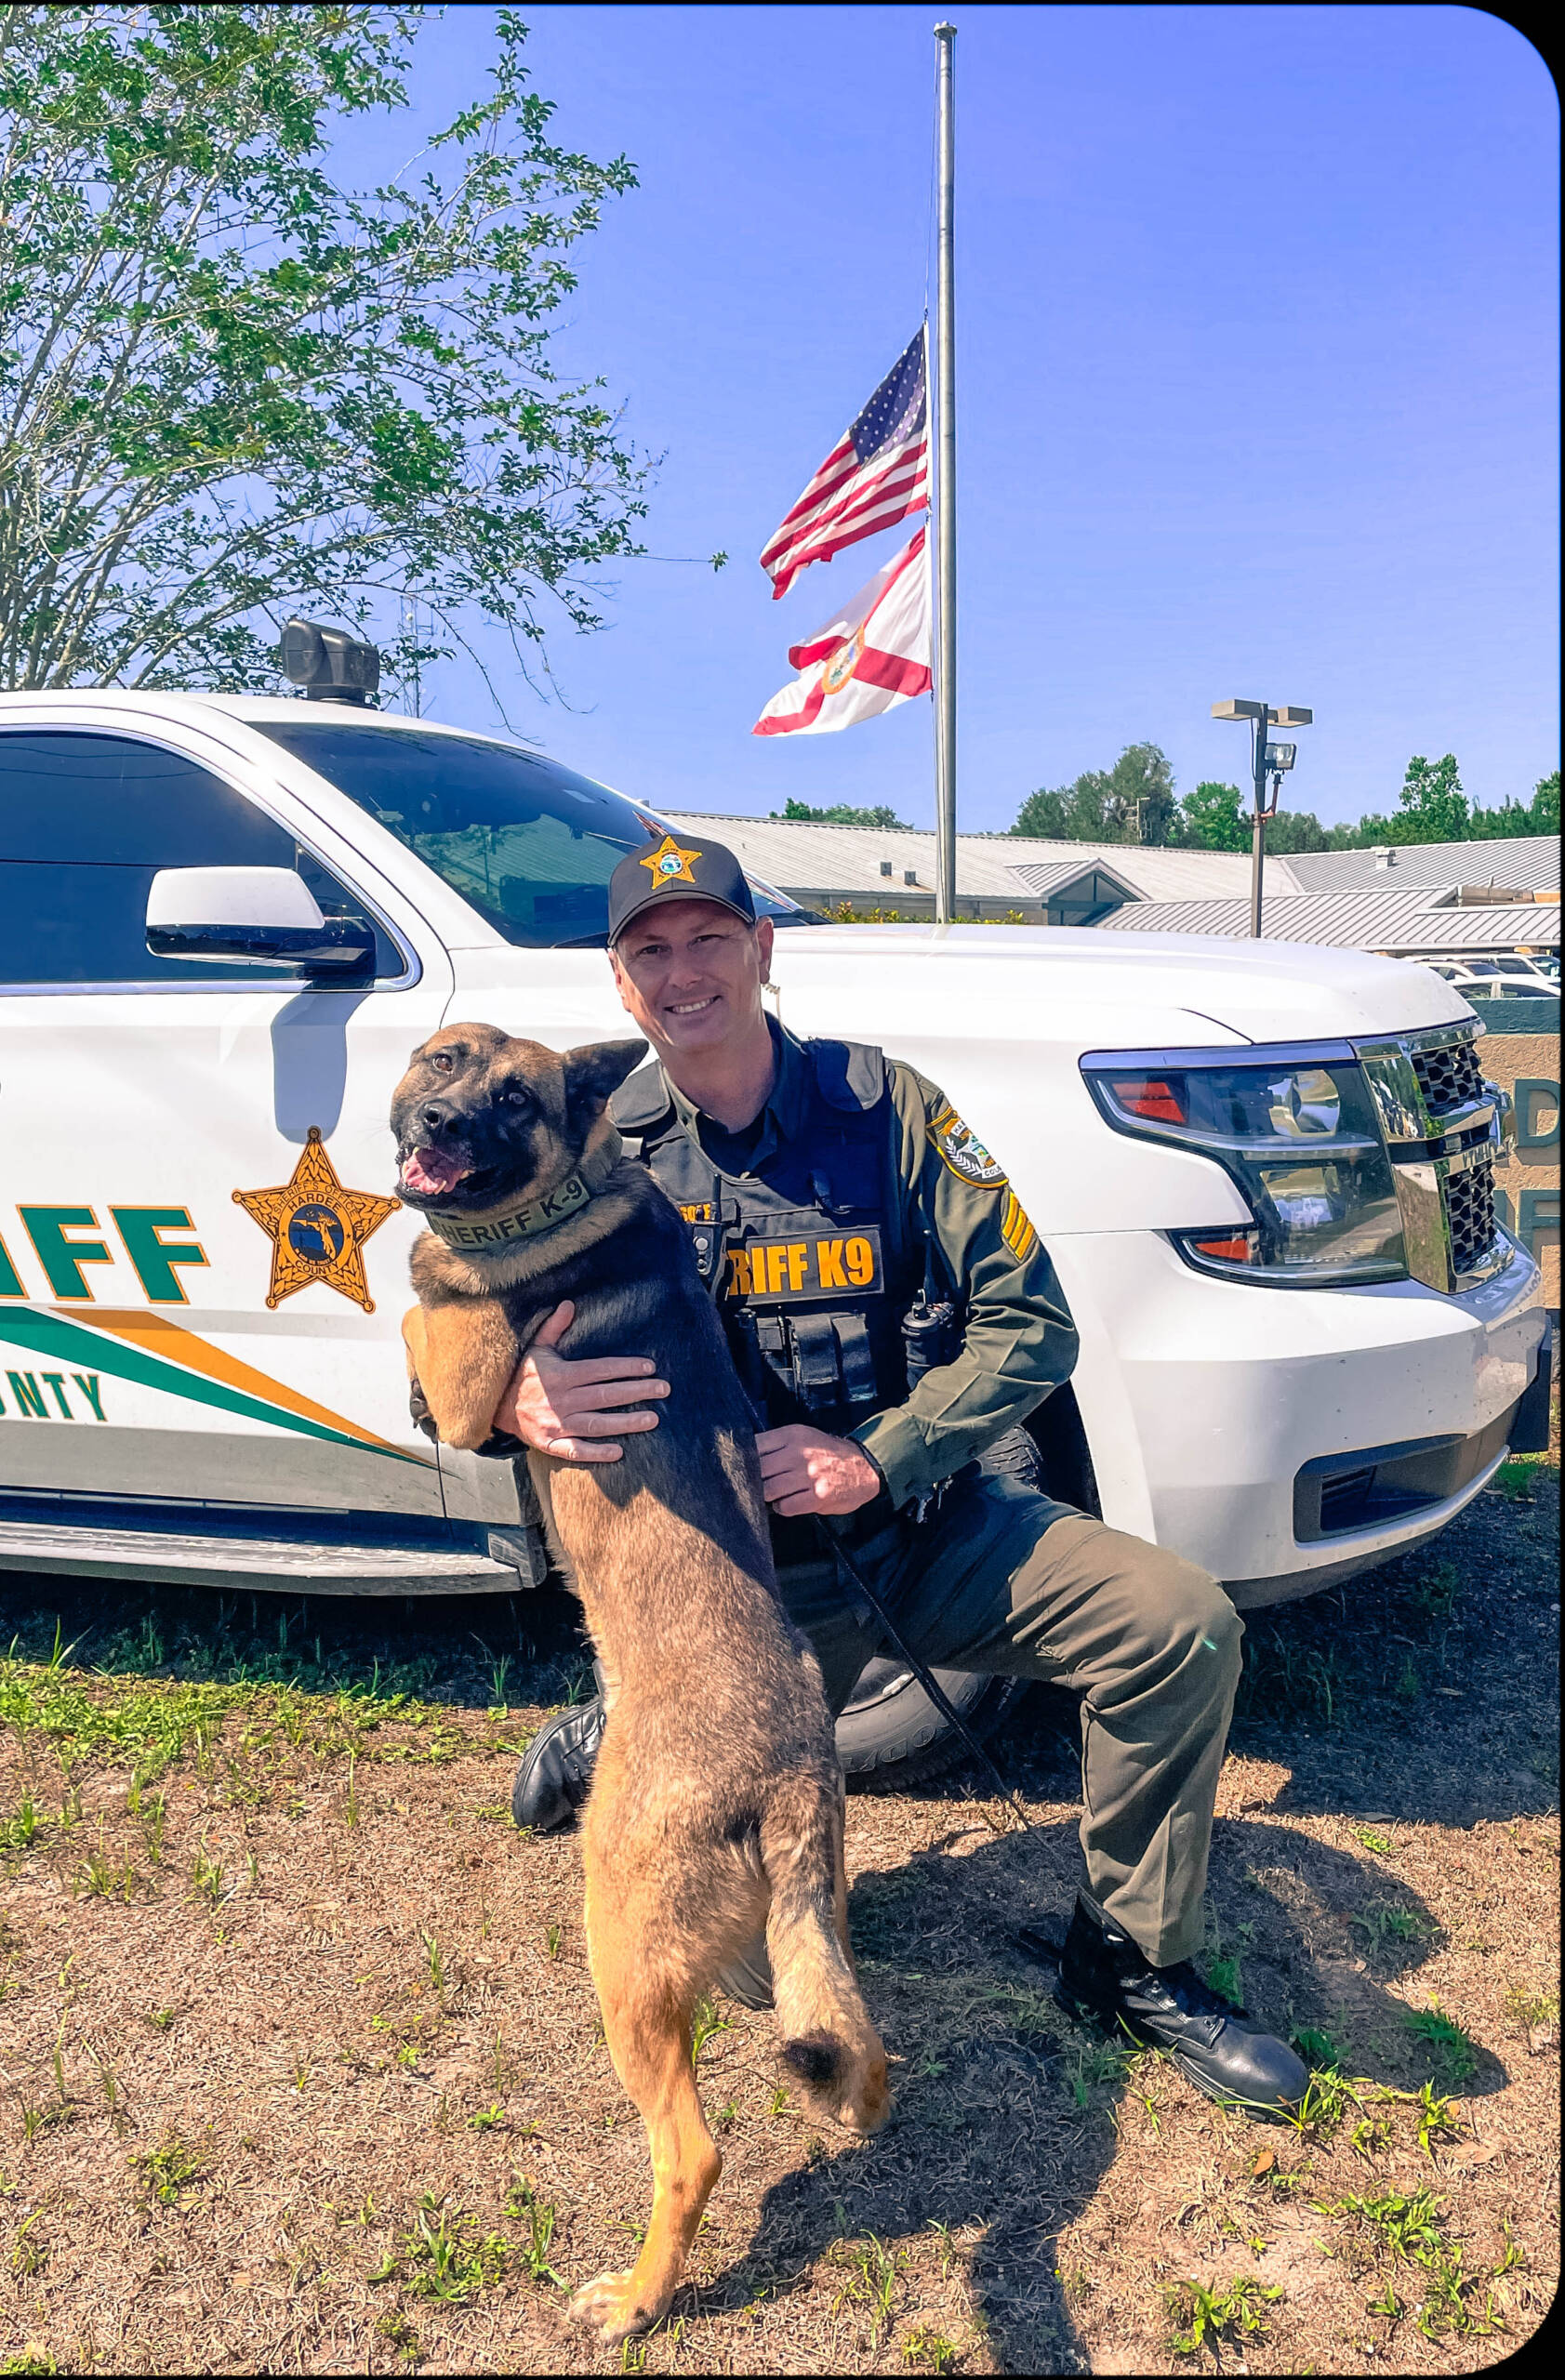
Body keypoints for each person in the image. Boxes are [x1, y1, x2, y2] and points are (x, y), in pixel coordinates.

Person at [413, 831, 1308, 2116]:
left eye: (709, 938)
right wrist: (513, 1400)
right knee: (743, 1966)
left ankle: (1128, 1960)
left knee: (1181, 1628)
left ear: (761, 950)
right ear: (621, 984)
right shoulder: (570, 1140)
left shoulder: (887, 1109)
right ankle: (624, 1723)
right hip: (727, 1603)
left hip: (916, 1530)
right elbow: (445, 1334)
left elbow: (1032, 1324)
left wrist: (878, 1460)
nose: (684, 973)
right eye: (650, 952)